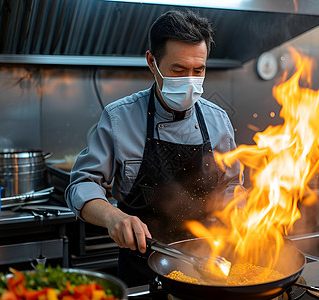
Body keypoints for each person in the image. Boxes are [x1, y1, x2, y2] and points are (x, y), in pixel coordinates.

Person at [65, 10, 242, 287]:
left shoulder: (218, 120)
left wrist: (244, 210)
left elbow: (231, 187)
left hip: (210, 269)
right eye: (179, 70)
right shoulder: (119, 118)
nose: (190, 80)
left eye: (199, 70)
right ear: (152, 62)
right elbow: (81, 185)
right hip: (143, 271)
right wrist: (114, 217)